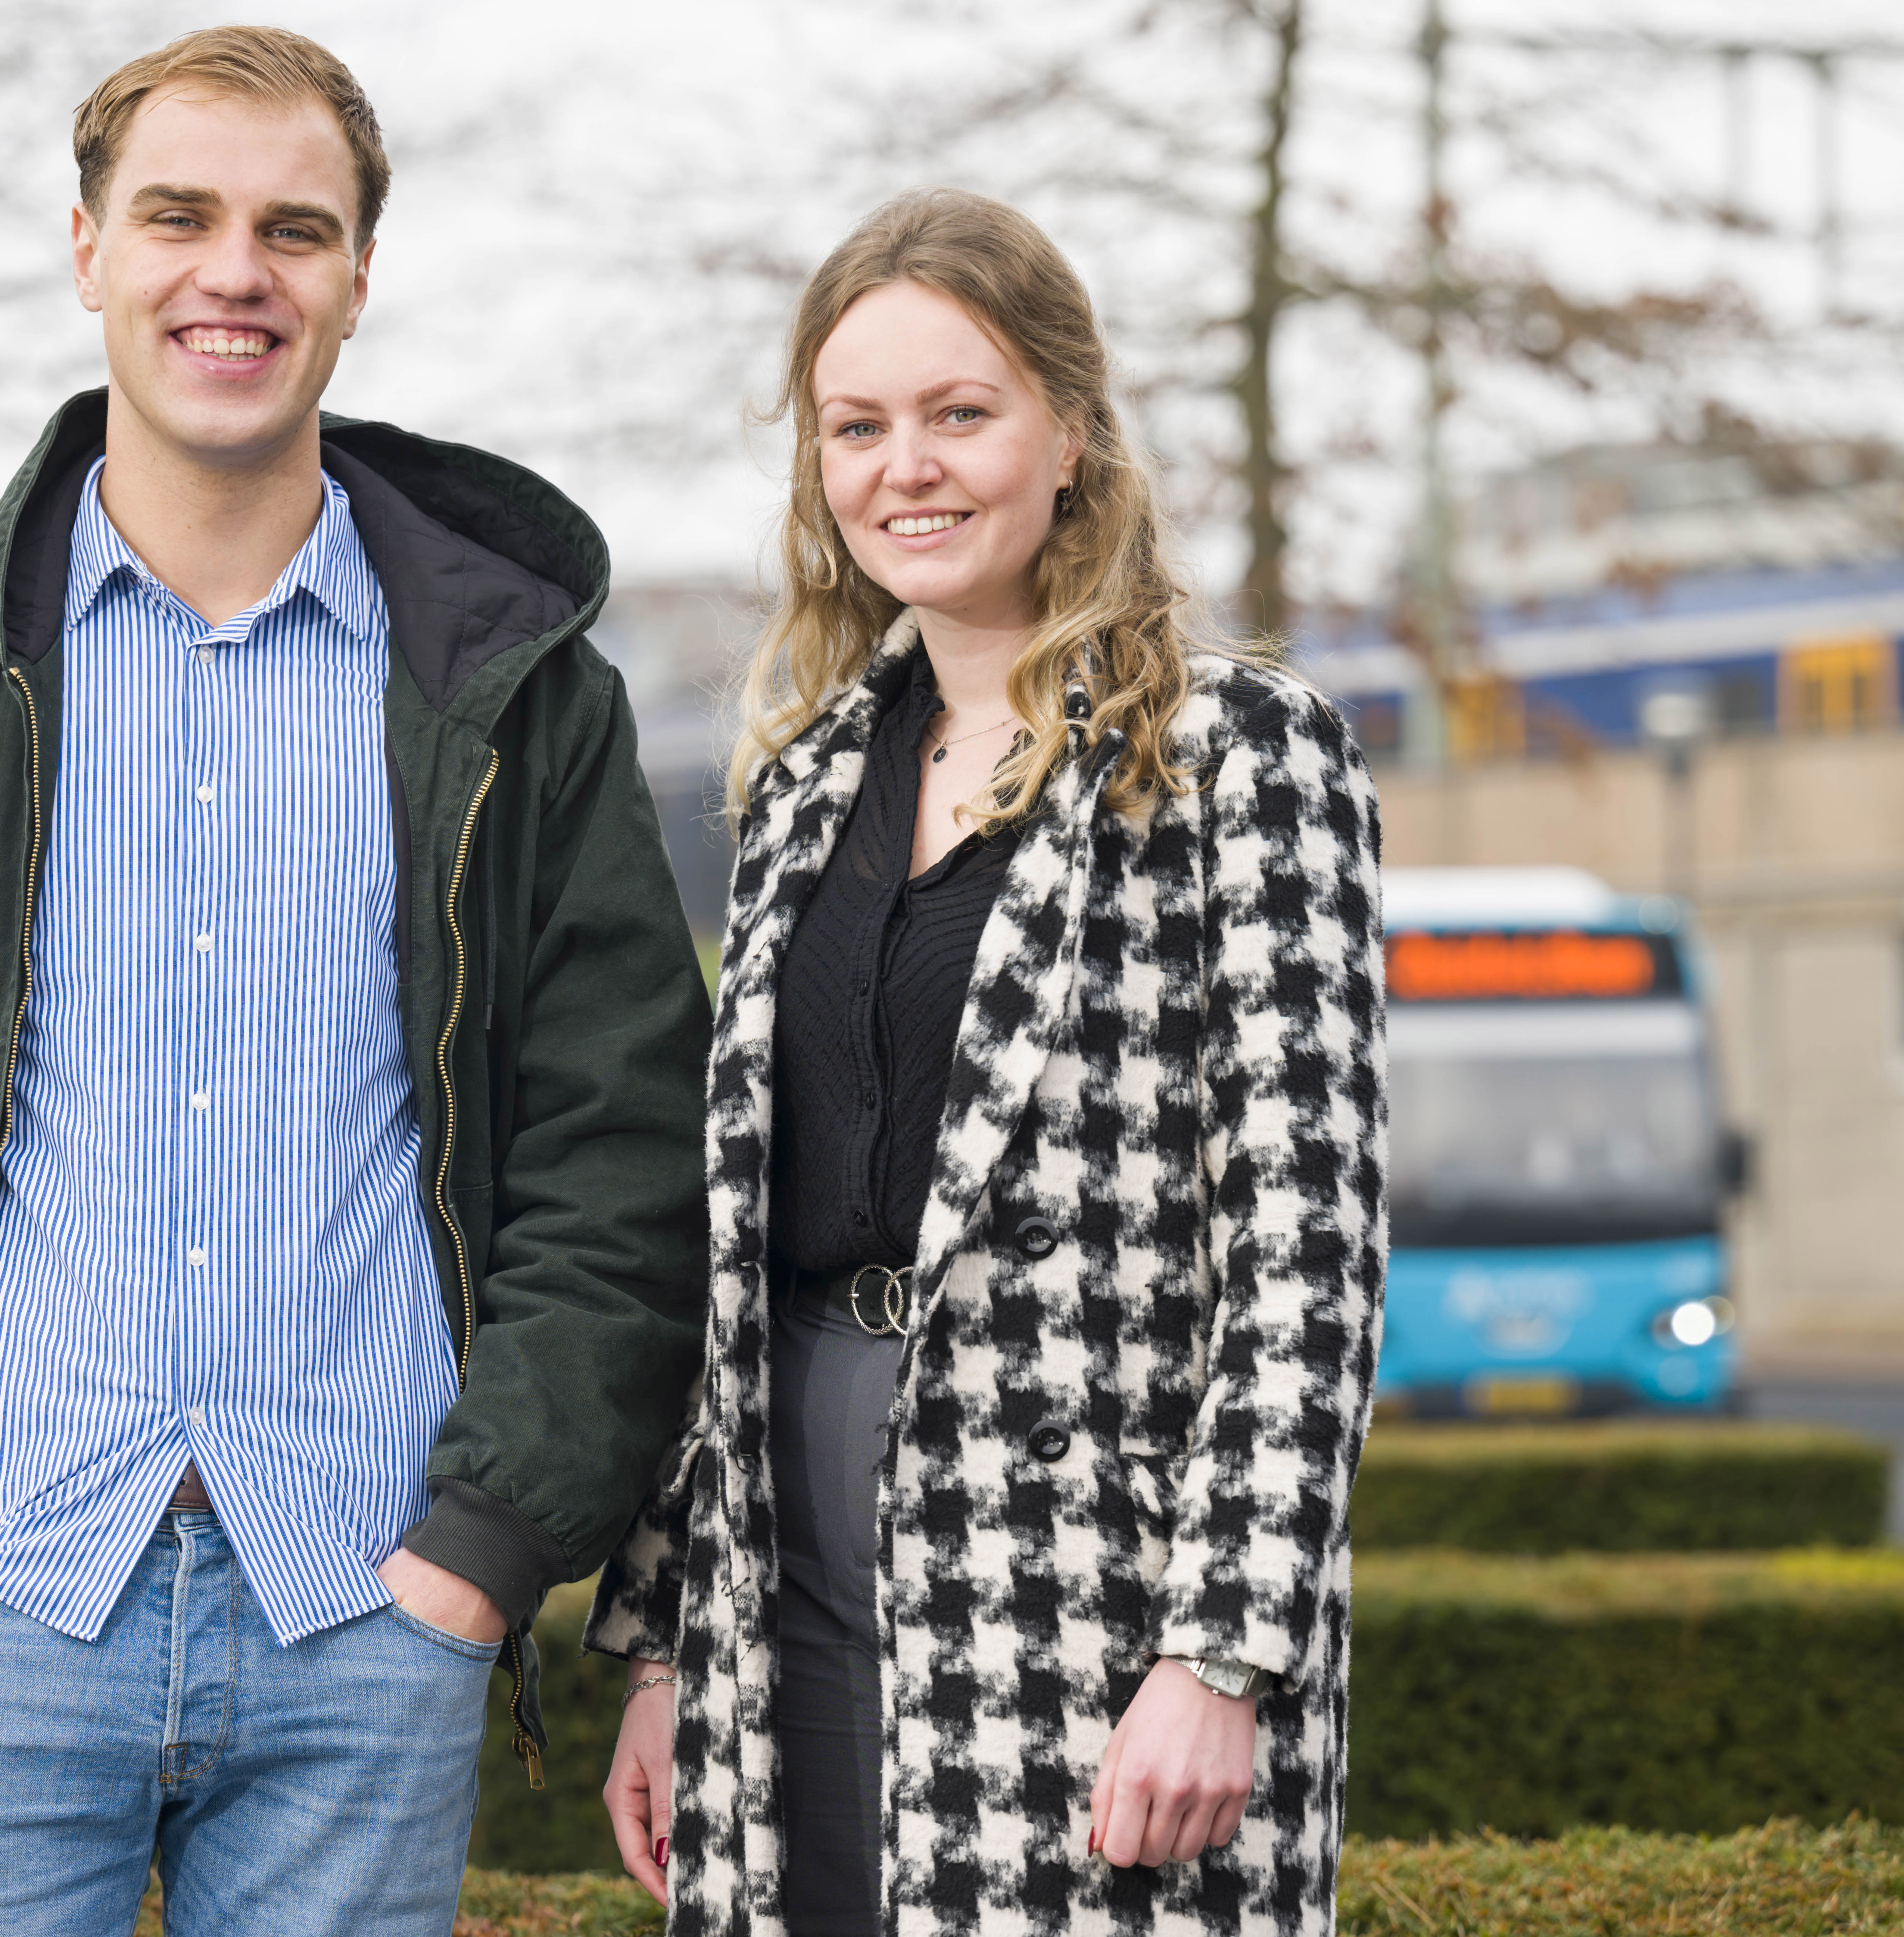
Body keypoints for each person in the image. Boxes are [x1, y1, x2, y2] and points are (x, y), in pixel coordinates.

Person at [0, 26, 711, 1937]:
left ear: (359, 279)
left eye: (295, 229)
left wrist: (477, 1551)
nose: (237, 271)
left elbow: (620, 1156)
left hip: (365, 1610)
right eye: (179, 216)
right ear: (86, 253)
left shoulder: (524, 701)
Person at [588, 187, 1387, 1937]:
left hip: (1093, 1594)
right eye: (856, 426)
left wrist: (1224, 1649)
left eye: (960, 412)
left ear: (1071, 430)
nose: (907, 467)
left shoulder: (1241, 757)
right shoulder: (801, 785)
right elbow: (728, 1243)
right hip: (779, 1577)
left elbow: (1303, 1252)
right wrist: (659, 1644)